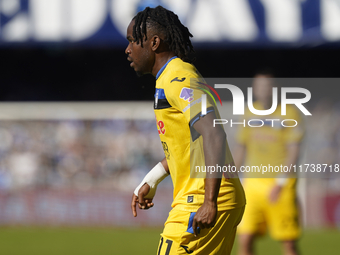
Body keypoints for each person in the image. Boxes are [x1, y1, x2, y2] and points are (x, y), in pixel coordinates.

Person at [125, 6, 246, 255]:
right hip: (211, 195)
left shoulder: (178, 77)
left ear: (154, 42)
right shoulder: (168, 78)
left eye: (132, 41)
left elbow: (214, 132)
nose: (128, 50)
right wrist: (152, 180)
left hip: (203, 197)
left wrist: (209, 202)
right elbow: (185, 148)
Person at [234, 71, 304, 255]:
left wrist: (280, 183)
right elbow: (242, 148)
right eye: (259, 86)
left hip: (280, 184)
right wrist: (231, 178)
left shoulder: (289, 112)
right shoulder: (249, 113)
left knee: (288, 242)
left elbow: (293, 150)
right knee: (244, 238)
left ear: (275, 88)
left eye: (266, 86)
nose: (262, 90)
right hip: (253, 184)